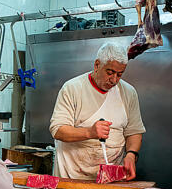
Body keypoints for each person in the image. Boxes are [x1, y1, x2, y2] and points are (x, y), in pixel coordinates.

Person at [49, 41, 145, 181]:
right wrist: (90, 132)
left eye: (119, 74)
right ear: (97, 65)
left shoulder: (129, 92)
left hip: (110, 177)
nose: (114, 80)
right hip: (72, 175)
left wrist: (131, 154)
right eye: (110, 72)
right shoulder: (72, 88)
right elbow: (57, 130)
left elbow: (134, 131)